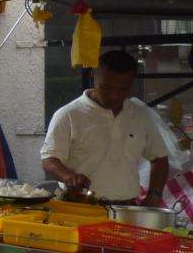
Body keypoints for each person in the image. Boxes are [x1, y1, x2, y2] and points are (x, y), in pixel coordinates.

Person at [41, 49, 169, 206]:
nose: (114, 96)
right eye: (106, 88)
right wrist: (68, 176)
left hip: (127, 207)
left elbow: (159, 159)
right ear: (93, 76)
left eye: (122, 90)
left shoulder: (141, 115)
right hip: (79, 206)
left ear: (132, 84)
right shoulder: (68, 115)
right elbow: (49, 160)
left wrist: (155, 195)